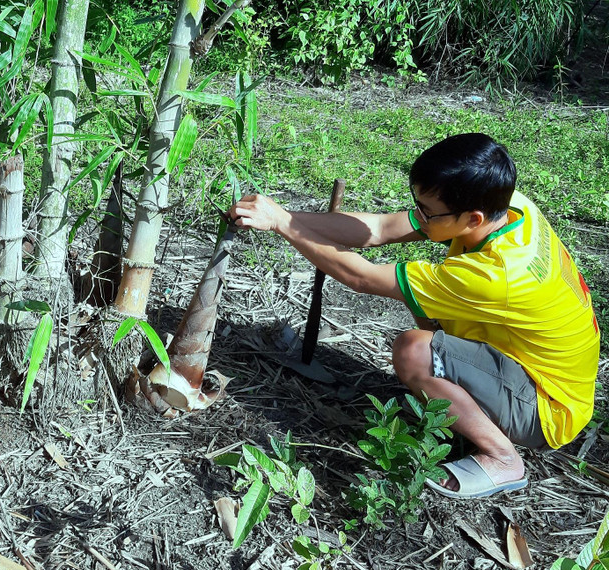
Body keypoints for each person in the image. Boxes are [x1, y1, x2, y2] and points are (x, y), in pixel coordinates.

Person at [229, 133, 600, 499]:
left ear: (473, 219)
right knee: (423, 302)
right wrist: (283, 215)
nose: (418, 216)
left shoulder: (496, 274)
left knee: (414, 350)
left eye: (427, 211)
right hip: (529, 365)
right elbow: (379, 230)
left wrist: (282, 224)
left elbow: (361, 277)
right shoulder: (507, 205)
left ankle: (503, 458)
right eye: (418, 204)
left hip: (545, 408)